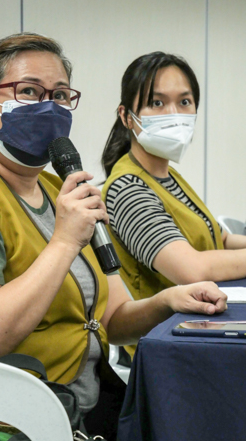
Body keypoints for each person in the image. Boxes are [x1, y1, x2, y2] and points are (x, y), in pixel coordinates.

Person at [0, 36, 226, 438]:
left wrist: (167, 301)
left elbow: (111, 322)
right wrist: (63, 242)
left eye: (60, 95)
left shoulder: (53, 190)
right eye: (29, 91)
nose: (49, 106)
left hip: (74, 408)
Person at [101, 51, 246, 360]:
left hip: (201, 325)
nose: (174, 113)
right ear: (127, 116)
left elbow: (218, 237)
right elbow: (191, 270)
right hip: (165, 348)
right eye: (157, 103)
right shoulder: (128, 188)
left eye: (184, 102)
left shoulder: (167, 174)